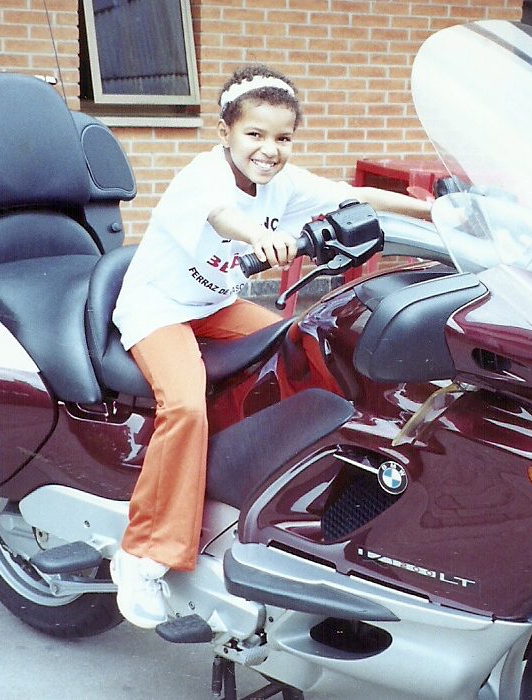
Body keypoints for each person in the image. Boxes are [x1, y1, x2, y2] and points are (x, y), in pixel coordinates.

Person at [109, 64, 433, 628]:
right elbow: (222, 217)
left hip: (214, 306)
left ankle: (279, 499)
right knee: (184, 406)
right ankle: (142, 555)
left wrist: (438, 213)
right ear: (225, 132)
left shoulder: (284, 183)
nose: (269, 149)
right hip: (158, 309)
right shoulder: (201, 177)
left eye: (283, 137)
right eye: (254, 134)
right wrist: (262, 236)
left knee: (307, 344)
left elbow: (355, 196)